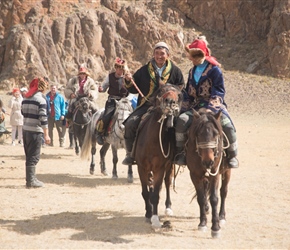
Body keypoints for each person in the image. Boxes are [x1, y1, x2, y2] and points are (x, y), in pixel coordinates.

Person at [174, 36, 239, 168]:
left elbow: (219, 91)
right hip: (196, 107)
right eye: (192, 55)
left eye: (195, 55)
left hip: (213, 107)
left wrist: (211, 109)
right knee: (180, 121)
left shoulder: (215, 70)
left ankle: (232, 155)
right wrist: (182, 108)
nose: (192, 58)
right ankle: (181, 153)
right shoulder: (192, 71)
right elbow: (188, 93)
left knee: (228, 126)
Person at [122, 41, 185, 165]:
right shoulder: (144, 70)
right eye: (156, 53)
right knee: (130, 124)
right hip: (147, 105)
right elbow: (133, 88)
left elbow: (181, 87)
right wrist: (128, 80)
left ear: (168, 55)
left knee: (180, 125)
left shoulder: (175, 71)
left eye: (162, 53)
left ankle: (179, 154)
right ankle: (130, 154)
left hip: (169, 106)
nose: (159, 56)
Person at [21, 77, 51, 188]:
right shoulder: (41, 100)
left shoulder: (25, 99)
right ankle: (31, 181)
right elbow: (43, 118)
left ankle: (30, 179)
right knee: (34, 157)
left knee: (29, 156)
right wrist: (46, 134)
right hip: (35, 131)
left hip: (25, 130)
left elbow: (23, 112)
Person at [96, 57, 129, 145]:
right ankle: (100, 133)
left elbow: (131, 88)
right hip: (112, 101)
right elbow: (104, 87)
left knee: (133, 115)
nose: (120, 70)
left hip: (124, 101)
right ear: (116, 68)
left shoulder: (127, 78)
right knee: (106, 116)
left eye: (121, 68)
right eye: (118, 68)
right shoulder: (110, 76)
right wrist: (101, 89)